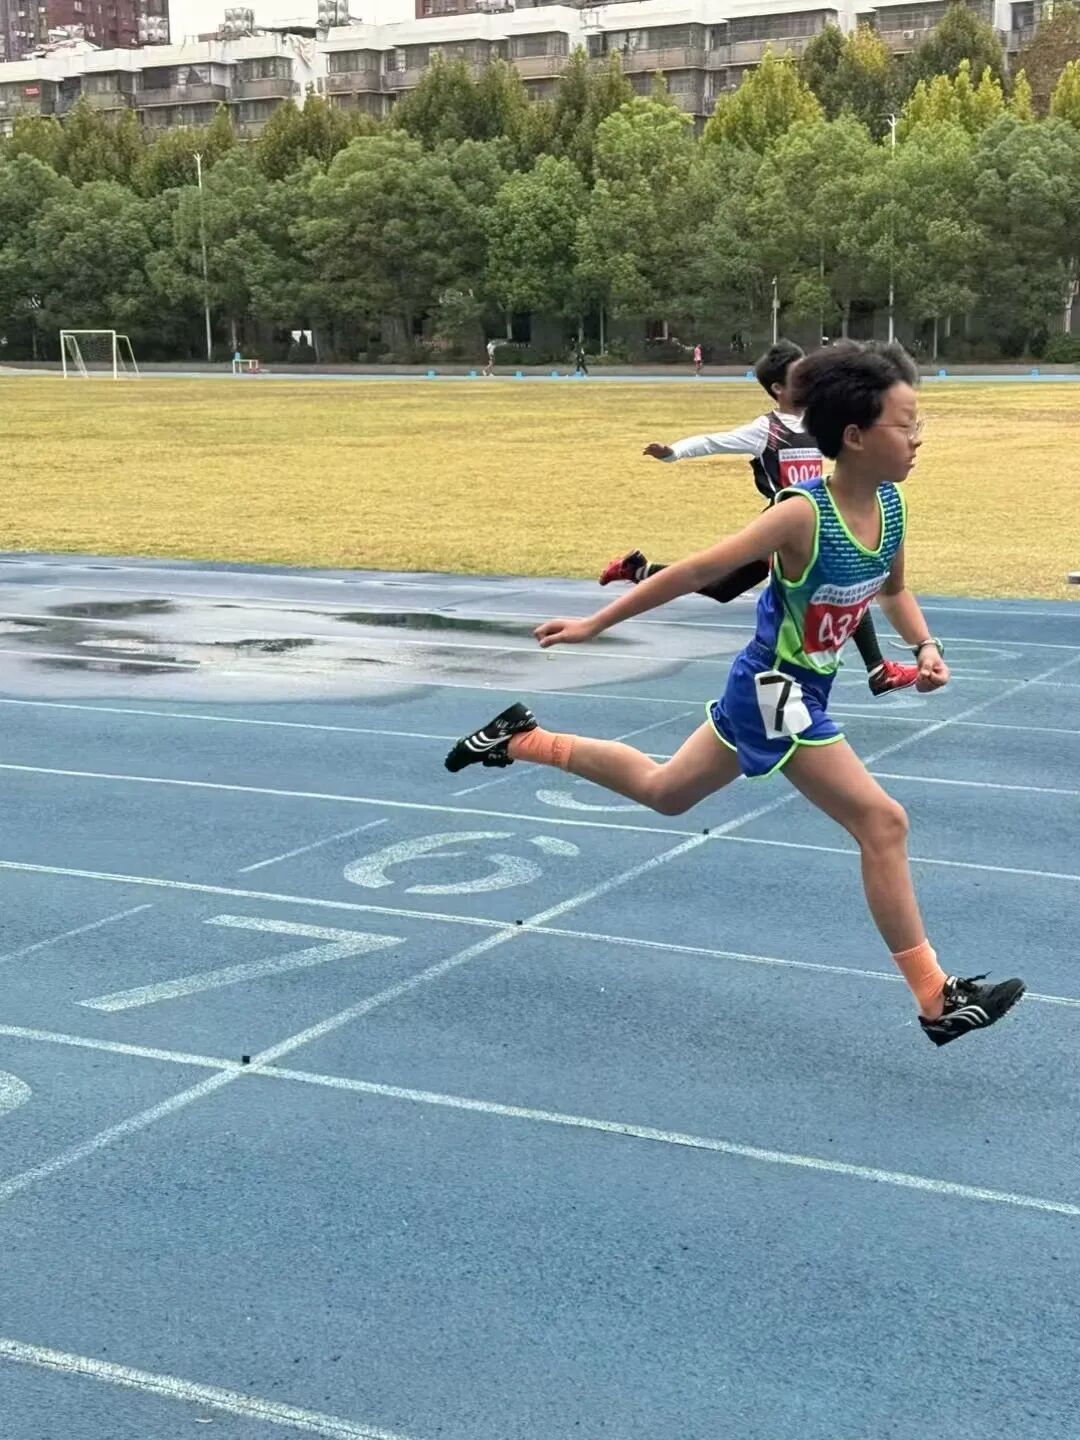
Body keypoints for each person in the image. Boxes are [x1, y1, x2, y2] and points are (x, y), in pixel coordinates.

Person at [444, 341, 1025, 1047]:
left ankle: (520, 739)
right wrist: (595, 623)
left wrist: (926, 648)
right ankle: (935, 998)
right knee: (883, 824)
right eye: (905, 425)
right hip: (774, 690)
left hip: (801, 686)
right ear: (854, 435)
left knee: (666, 792)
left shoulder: (892, 506)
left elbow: (895, 591)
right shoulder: (800, 515)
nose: (918, 437)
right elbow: (695, 571)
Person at [599, 339, 918, 697]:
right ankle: (877, 669)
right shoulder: (767, 430)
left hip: (822, 518)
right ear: (778, 388)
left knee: (728, 588)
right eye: (799, 376)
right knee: (833, 578)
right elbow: (716, 441)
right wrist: (674, 453)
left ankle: (638, 570)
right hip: (785, 524)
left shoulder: (819, 421)